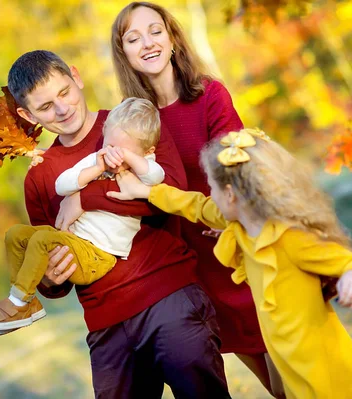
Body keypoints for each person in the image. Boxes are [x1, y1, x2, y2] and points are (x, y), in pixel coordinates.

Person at [6, 50, 231, 398]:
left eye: (64, 92)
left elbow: (172, 193)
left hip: (168, 296)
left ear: (76, 77)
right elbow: (55, 274)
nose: (62, 109)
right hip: (106, 325)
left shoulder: (135, 123)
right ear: (26, 114)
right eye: (46, 106)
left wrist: (85, 198)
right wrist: (48, 280)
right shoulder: (39, 176)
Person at [109, 128, 352, 399]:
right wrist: (145, 191)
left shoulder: (290, 238)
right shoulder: (241, 228)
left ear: (230, 195)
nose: (209, 194)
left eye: (212, 188)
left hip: (327, 371)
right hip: (293, 370)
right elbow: (195, 205)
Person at [110, 2, 284, 395]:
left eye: (155, 31)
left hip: (237, 244)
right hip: (196, 267)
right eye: (133, 38)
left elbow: (237, 166)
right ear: (124, 53)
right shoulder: (132, 120)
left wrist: (221, 212)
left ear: (172, 38)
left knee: (291, 375)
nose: (148, 43)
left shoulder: (208, 95)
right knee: (270, 381)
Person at [0, 97, 166, 333]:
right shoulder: (98, 160)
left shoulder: (146, 164)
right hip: (75, 243)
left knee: (42, 240)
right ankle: (24, 301)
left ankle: (17, 303)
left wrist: (129, 158)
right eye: (110, 146)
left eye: (123, 150)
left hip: (100, 254)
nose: (114, 155)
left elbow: (156, 177)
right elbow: (62, 185)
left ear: (146, 151)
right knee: (16, 234)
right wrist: (96, 168)